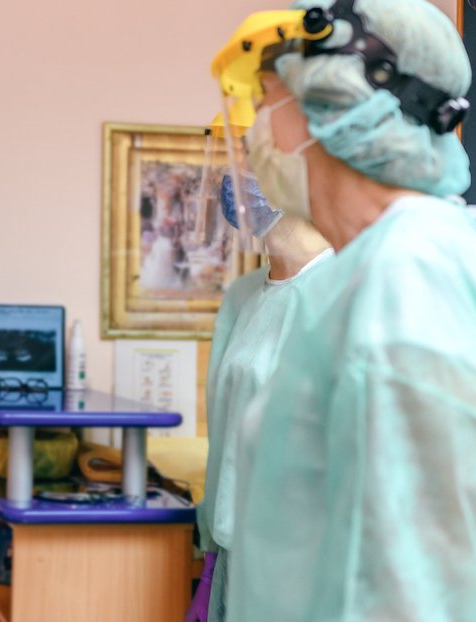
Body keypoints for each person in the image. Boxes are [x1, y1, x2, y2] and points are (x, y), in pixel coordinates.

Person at [215, 0, 476, 621]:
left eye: (266, 102)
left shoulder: (410, 285)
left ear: (330, 108)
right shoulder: (380, 271)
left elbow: (416, 591)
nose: (251, 135)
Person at [187, 174, 332, 622]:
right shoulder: (245, 297)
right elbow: (222, 424)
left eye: (252, 156)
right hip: (234, 548)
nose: (235, 177)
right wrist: (210, 550)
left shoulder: (340, 292)